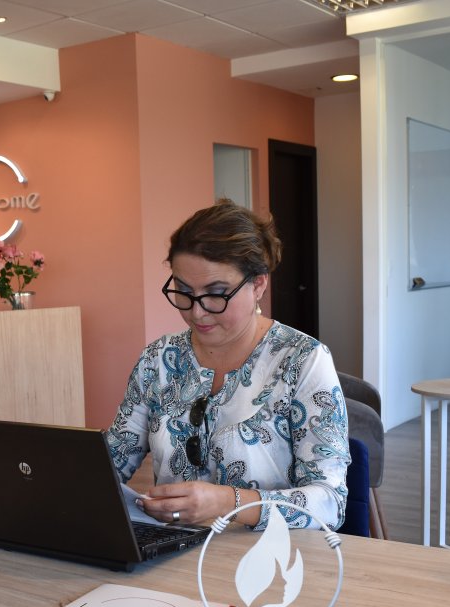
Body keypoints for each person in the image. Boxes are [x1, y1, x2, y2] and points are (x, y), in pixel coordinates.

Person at [106, 199, 349, 531]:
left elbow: (329, 504)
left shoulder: (301, 360)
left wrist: (229, 503)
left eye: (216, 293)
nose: (197, 311)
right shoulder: (159, 359)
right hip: (171, 556)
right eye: (184, 291)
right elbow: (109, 465)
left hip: (269, 560)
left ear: (258, 284)